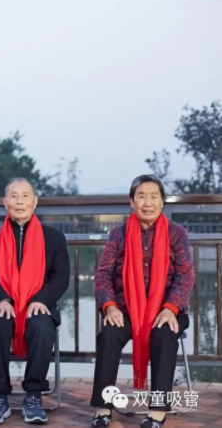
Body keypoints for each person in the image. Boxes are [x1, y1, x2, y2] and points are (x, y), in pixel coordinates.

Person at [90, 175, 195, 428]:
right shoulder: (118, 234)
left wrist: (170, 308)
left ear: (162, 202)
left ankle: (157, 412)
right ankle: (103, 409)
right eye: (141, 196)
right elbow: (103, 274)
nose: (148, 203)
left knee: (163, 335)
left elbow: (185, 275)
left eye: (153, 196)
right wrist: (109, 306)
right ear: (131, 201)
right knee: (109, 335)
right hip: (125, 309)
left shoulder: (177, 234)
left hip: (167, 309)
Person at [0, 178, 70, 425]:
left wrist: (40, 300)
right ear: (5, 202)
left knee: (41, 324)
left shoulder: (54, 238)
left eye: (25, 196)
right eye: (14, 196)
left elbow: (60, 277)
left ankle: (34, 395)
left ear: (35, 202)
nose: (19, 201)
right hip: (4, 305)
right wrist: (2, 299)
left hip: (39, 305)